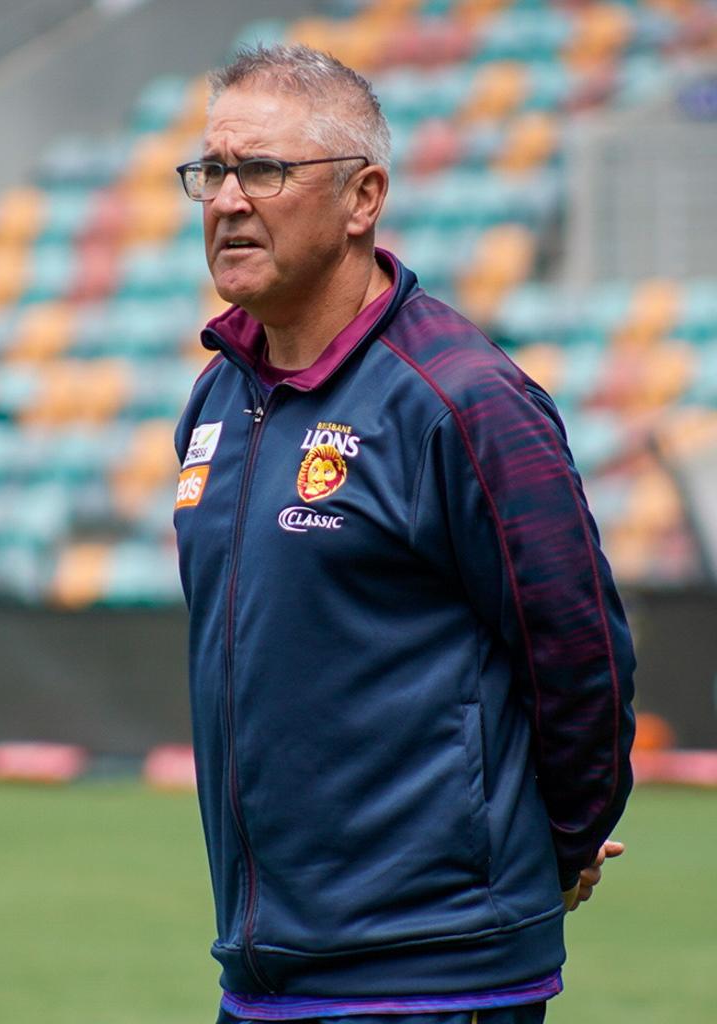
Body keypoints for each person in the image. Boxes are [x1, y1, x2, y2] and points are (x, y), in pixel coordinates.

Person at [173, 44, 636, 1024]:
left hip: (431, 975)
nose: (226, 200)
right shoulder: (216, 397)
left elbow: (580, 653)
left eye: (263, 170)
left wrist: (551, 845)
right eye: (211, 171)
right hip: (265, 975)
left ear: (362, 196)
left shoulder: (463, 399)